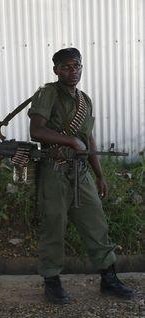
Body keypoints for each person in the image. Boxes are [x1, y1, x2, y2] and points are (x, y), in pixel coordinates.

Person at [28, 48, 135, 304]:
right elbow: (36, 131)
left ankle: (109, 279)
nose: (72, 71)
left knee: (96, 223)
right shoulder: (47, 94)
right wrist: (70, 141)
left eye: (76, 66)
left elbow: (87, 140)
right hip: (54, 172)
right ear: (56, 70)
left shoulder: (84, 100)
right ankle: (51, 283)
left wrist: (100, 175)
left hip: (81, 172)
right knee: (53, 227)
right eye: (65, 67)